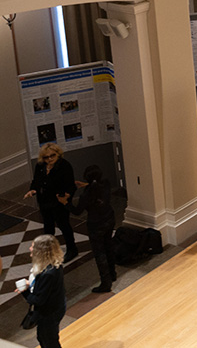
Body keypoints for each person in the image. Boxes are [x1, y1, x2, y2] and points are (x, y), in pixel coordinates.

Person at [24, 144, 77, 259]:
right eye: (46, 157)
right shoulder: (40, 166)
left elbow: (70, 185)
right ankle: (49, 252)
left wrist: (66, 197)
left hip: (59, 201)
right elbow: (36, 181)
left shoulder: (64, 166)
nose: (49, 159)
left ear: (58, 154)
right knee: (48, 228)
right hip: (44, 201)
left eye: (52, 156)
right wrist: (33, 190)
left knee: (64, 225)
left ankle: (72, 249)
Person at [70, 164, 116, 293]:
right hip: (109, 219)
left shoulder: (86, 195)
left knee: (99, 253)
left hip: (96, 225)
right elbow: (97, 188)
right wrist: (87, 185)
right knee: (108, 246)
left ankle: (105, 283)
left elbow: (77, 211)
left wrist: (65, 203)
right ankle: (112, 274)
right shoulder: (106, 184)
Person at [18, 234, 66, 348]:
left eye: (33, 247)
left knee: (49, 341)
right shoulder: (53, 265)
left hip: (49, 313)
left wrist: (24, 291)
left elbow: (38, 300)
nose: (30, 248)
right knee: (43, 337)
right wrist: (31, 284)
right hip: (56, 307)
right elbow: (48, 287)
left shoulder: (48, 273)